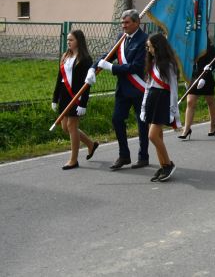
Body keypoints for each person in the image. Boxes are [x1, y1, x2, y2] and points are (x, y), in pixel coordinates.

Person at [85, 9, 149, 170]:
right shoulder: (121, 38)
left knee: (142, 123)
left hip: (138, 87)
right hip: (122, 89)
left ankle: (143, 157)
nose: (123, 26)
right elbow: (108, 55)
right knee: (117, 119)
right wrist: (92, 68)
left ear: (136, 23)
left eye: (127, 23)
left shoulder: (144, 40)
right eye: (122, 22)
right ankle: (124, 155)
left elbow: (136, 67)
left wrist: (112, 68)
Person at [52, 30, 99, 170]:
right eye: (67, 40)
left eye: (71, 40)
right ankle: (91, 144)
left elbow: (88, 83)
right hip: (65, 96)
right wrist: (55, 98)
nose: (68, 42)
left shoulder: (85, 59)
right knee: (65, 127)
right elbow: (59, 79)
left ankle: (73, 160)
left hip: (77, 97)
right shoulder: (65, 56)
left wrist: (83, 103)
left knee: (72, 127)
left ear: (79, 41)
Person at [140, 33, 180, 182]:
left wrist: (172, 110)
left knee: (152, 136)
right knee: (159, 136)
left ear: (157, 47)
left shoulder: (168, 64)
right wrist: (144, 107)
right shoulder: (152, 62)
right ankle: (163, 165)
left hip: (163, 100)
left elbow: (174, 89)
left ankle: (169, 164)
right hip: (152, 99)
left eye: (149, 46)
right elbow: (147, 87)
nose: (148, 49)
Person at [179, 38, 215, 140]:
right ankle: (186, 129)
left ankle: (213, 124)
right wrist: (186, 77)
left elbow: (211, 64)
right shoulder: (189, 45)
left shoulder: (209, 46)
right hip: (193, 77)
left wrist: (204, 78)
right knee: (190, 102)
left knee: (210, 101)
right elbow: (186, 62)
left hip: (205, 77)